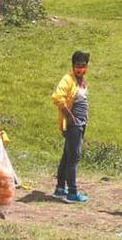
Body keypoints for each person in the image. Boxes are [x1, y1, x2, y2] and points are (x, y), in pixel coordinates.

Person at [51, 50, 90, 203]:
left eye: (84, 66)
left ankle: (60, 188)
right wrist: (69, 115)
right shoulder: (68, 80)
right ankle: (72, 192)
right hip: (73, 124)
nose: (81, 69)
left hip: (81, 123)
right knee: (74, 157)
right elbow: (57, 97)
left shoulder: (82, 81)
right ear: (73, 66)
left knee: (67, 155)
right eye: (78, 66)